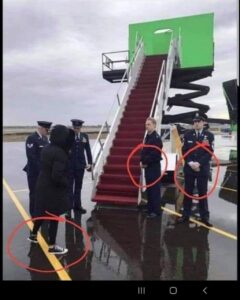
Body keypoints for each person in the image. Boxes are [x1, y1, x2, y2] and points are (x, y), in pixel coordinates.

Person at [28, 125, 75, 255]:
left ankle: (33, 235)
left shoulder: (47, 147)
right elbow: (57, 176)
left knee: (41, 212)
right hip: (52, 189)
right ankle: (52, 246)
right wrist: (66, 183)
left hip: (42, 185)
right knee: (53, 216)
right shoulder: (60, 153)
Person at [177, 112, 214, 227]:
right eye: (194, 122)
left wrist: (199, 163)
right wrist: (191, 163)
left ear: (203, 123)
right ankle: (185, 214)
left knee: (202, 193)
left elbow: (210, 153)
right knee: (188, 192)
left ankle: (204, 216)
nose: (196, 123)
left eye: (198, 122)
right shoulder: (188, 135)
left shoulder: (209, 136)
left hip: (202, 169)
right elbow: (184, 151)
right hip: (190, 168)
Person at [23, 121, 52, 217]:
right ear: (41, 128)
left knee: (43, 193)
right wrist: (42, 170)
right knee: (34, 193)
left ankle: (42, 211)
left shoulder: (45, 138)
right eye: (47, 130)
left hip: (43, 172)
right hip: (34, 172)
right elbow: (31, 157)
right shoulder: (31, 138)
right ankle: (34, 214)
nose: (48, 132)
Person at [67, 119, 92, 216]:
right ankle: (68, 210)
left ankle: (77, 206)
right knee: (69, 188)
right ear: (72, 127)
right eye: (74, 128)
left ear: (80, 128)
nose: (76, 130)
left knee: (78, 187)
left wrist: (90, 162)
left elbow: (88, 150)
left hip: (80, 166)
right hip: (70, 166)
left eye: (78, 128)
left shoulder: (84, 136)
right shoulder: (68, 136)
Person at [140, 117, 163, 218]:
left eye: (149, 124)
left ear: (154, 125)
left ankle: (156, 211)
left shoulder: (156, 138)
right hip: (148, 167)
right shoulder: (147, 137)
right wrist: (142, 160)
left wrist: (145, 161)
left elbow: (155, 154)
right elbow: (144, 151)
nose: (146, 126)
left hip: (154, 167)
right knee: (149, 189)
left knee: (155, 190)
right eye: (146, 124)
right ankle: (150, 209)